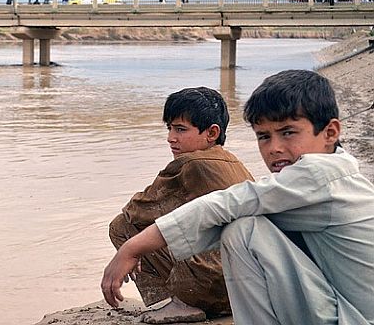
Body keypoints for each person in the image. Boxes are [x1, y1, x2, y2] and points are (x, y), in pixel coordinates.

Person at [102, 69, 374, 325]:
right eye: (264, 136)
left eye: (288, 132)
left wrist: (132, 248)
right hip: (350, 307)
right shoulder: (342, 170)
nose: (274, 148)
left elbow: (222, 205)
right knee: (247, 221)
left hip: (353, 317)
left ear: (330, 133)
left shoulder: (316, 173)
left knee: (243, 230)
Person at [108, 87, 253, 323]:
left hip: (207, 285)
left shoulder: (190, 163)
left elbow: (136, 211)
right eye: (170, 128)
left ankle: (170, 304)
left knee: (121, 226)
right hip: (244, 289)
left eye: (180, 129)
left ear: (211, 133)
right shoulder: (233, 162)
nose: (170, 137)